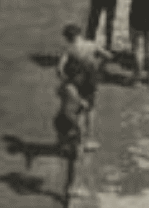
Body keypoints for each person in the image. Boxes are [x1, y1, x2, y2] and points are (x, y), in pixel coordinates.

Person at [57, 24, 110, 151]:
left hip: (75, 82)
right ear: (79, 34)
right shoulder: (91, 45)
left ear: (68, 38)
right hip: (90, 82)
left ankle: (74, 139)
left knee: (75, 109)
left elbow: (59, 69)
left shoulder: (69, 49)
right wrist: (98, 65)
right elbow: (108, 55)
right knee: (90, 110)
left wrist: (66, 80)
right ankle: (88, 140)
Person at [53, 71, 85, 205]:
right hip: (71, 124)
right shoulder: (74, 92)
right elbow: (73, 112)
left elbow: (58, 94)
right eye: (80, 75)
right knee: (75, 160)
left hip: (60, 121)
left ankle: (70, 190)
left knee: (70, 155)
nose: (82, 77)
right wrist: (80, 130)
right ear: (76, 75)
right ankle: (69, 193)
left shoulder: (64, 87)